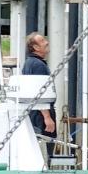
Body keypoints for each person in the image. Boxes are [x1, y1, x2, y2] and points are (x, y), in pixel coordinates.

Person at [21, 30, 56, 159]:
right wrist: (47, 117)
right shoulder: (38, 65)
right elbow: (39, 91)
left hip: (34, 112)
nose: (46, 42)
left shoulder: (29, 63)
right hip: (41, 113)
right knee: (45, 146)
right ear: (35, 47)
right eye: (42, 41)